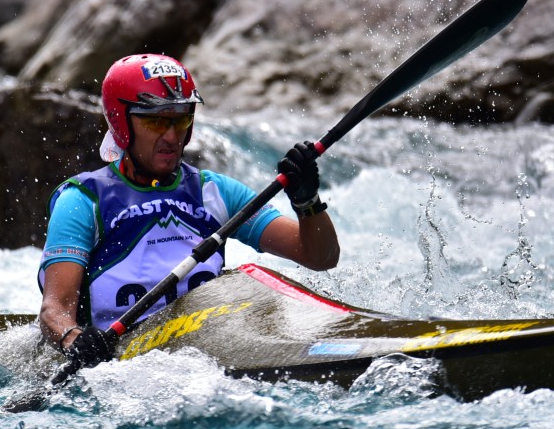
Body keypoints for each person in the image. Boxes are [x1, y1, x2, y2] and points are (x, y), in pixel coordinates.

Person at [37, 53, 340, 368]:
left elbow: (320, 257)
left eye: (180, 119)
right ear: (121, 121)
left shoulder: (216, 192)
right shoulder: (84, 200)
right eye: (156, 120)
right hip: (121, 365)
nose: (171, 136)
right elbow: (54, 308)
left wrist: (307, 202)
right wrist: (74, 340)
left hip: (204, 356)